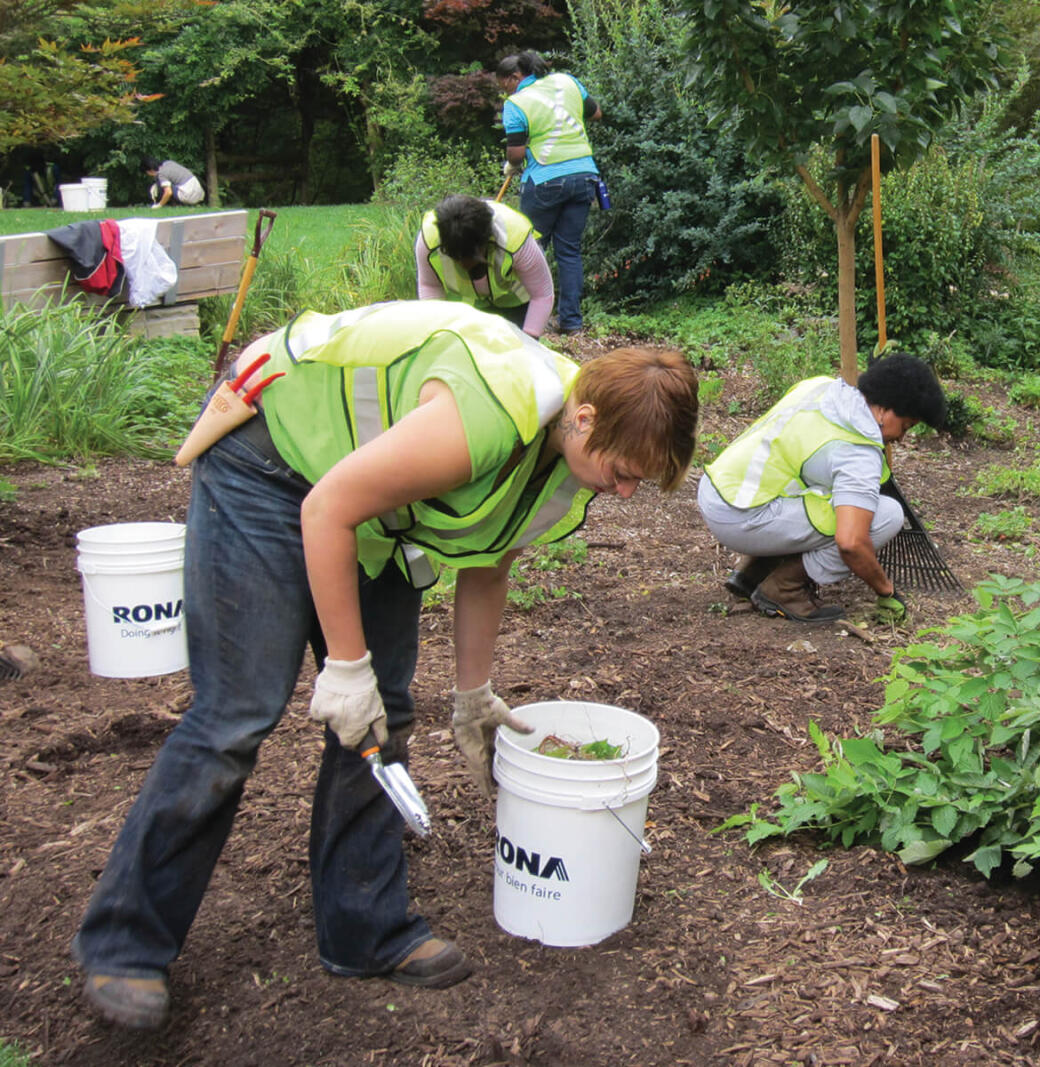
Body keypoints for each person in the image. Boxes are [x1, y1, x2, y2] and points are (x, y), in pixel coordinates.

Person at [70, 301, 698, 1030]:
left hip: (372, 507)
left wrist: (473, 692)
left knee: (386, 713)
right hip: (273, 466)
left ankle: (361, 927)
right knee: (238, 713)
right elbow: (328, 508)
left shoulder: (566, 466)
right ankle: (124, 941)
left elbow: (489, 560)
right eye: (623, 473)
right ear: (584, 418)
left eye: (639, 484)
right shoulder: (489, 416)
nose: (624, 493)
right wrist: (344, 666)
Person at [697, 353, 946, 624]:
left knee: (822, 490)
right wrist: (886, 590)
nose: (901, 438)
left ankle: (753, 571)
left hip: (718, 489)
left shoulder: (823, 388)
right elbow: (851, 543)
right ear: (885, 410)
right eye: (906, 426)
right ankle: (783, 589)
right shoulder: (858, 452)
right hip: (741, 516)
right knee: (886, 515)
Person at [496, 50, 602, 336]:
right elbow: (596, 113)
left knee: (529, 249)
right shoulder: (568, 82)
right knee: (569, 251)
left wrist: (511, 165)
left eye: (505, 85)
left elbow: (516, 154)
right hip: (584, 176)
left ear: (516, 77)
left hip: (544, 179)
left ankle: (527, 322)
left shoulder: (516, 103)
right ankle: (571, 322)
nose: (506, 91)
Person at [416, 194, 554, 338]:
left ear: (487, 240)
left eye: (471, 258)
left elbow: (542, 294)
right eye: (456, 258)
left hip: (515, 302)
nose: (464, 265)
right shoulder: (429, 240)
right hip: (467, 307)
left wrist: (529, 340)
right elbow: (430, 286)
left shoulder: (515, 236)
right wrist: (439, 333)